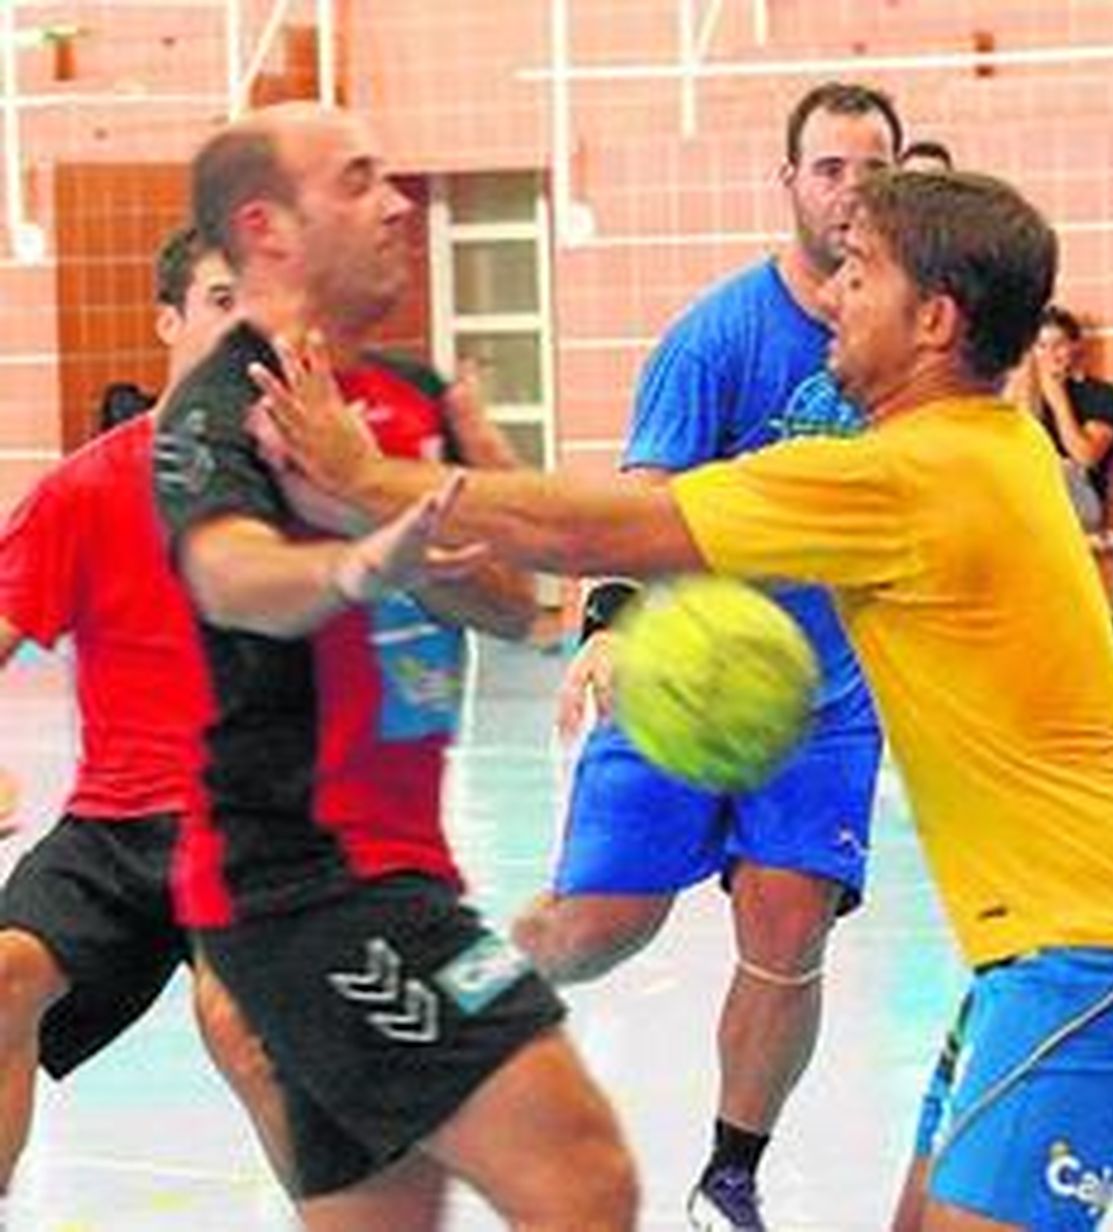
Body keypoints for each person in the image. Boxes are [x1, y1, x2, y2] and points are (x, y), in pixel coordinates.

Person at [254, 167, 1113, 1232]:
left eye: (859, 276)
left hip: (1104, 949)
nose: (831, 295)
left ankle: (720, 1157)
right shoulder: (988, 450)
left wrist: (363, 474)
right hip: (1048, 951)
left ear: (936, 320)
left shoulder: (902, 477)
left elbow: (594, 529)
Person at [152, 103, 635, 1230]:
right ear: (268, 227)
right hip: (304, 890)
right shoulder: (224, 407)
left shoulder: (411, 400)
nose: (398, 202)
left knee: (388, 1218)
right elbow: (229, 574)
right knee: (582, 1172)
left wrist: (420, 542)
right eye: (361, 180)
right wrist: (363, 557)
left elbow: (521, 606)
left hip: (401, 872)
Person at [515, 80, 900, 1231]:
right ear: (787, 184)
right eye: (829, 168)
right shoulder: (719, 334)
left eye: (873, 169)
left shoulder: (912, 340)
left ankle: (729, 1174)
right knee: (596, 928)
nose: (851, 192)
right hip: (684, 683)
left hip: (823, 702)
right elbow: (642, 496)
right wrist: (607, 628)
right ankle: (456, 998)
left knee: (786, 930)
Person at [0, 225, 294, 1213]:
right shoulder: (86, 489)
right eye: (222, 302)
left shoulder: (320, 488)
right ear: (169, 321)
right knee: (2, 980)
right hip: (120, 827)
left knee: (242, 1024)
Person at [1004, 305, 1113, 534]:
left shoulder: (1103, 396)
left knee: (1060, 469)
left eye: (1058, 344)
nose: (1050, 354)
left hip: (1079, 504)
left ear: (1075, 347)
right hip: (1026, 505)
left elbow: (1086, 456)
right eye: (1041, 346)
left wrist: (1057, 396)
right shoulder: (1020, 396)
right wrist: (1029, 388)